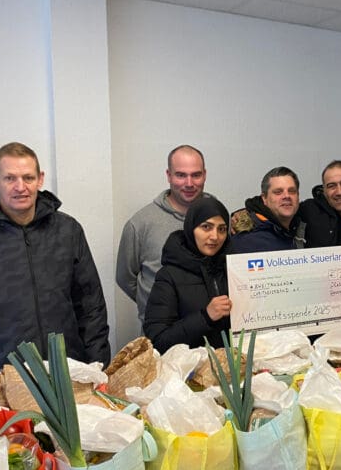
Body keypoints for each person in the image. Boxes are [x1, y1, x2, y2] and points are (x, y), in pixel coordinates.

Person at [0, 142, 110, 382]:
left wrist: (97, 370)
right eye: (10, 178)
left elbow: (91, 308)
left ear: (40, 179)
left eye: (28, 177)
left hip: (67, 378)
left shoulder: (68, 231)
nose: (20, 187)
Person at [116, 145, 210, 323]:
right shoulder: (141, 223)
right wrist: (155, 304)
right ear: (169, 175)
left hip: (210, 331)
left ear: (204, 174)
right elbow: (125, 277)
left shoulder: (217, 215)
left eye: (196, 175)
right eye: (181, 175)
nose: (189, 183)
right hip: (161, 332)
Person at [143, 197, 232, 351]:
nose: (215, 236)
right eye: (206, 227)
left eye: (222, 229)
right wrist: (205, 317)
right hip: (190, 372)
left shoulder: (233, 268)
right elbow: (158, 341)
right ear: (191, 228)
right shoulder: (169, 276)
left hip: (235, 368)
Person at [231, 166, 306, 253]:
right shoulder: (244, 238)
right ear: (264, 198)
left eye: (292, 191)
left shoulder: (307, 222)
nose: (287, 196)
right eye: (278, 192)